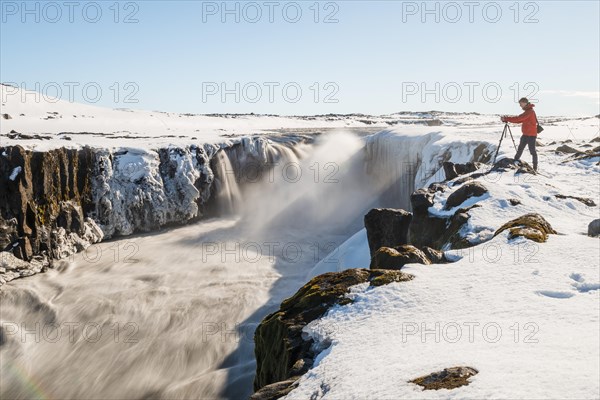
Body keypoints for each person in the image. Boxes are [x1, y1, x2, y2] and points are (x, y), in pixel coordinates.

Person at [501, 97, 539, 171]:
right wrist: (507, 119)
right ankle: (515, 161)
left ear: (525, 103)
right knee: (520, 149)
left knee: (532, 151)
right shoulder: (527, 111)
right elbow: (519, 120)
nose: (520, 105)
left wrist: (506, 118)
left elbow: (519, 118)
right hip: (525, 134)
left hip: (531, 135)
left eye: (520, 103)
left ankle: (535, 168)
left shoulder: (530, 111)